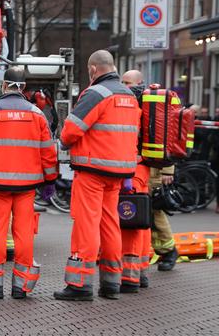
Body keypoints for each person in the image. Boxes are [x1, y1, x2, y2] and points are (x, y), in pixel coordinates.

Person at [53, 50, 141, 301]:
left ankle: (80, 285)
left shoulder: (95, 93)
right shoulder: (129, 96)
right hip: (119, 171)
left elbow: (71, 131)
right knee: (110, 223)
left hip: (92, 171)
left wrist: (63, 141)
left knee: (86, 224)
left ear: (93, 69)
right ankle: (111, 283)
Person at [0, 66, 58, 299]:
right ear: (24, 88)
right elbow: (48, 152)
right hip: (27, 187)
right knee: (24, 234)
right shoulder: (37, 114)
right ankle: (22, 287)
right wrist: (50, 180)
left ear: (4, 85)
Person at [121, 70, 178, 277]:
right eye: (123, 81)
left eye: (129, 82)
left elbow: (167, 136)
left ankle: (168, 250)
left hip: (152, 167)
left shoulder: (153, 103)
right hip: (133, 165)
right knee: (138, 211)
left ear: (140, 83)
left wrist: (167, 169)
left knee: (154, 211)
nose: (125, 85)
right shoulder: (128, 101)